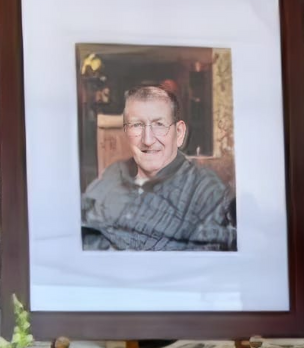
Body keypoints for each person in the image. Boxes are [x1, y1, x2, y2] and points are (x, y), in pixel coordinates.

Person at [80, 85, 237, 251]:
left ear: (179, 133)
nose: (147, 140)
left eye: (159, 124)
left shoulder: (207, 193)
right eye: (137, 125)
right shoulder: (111, 179)